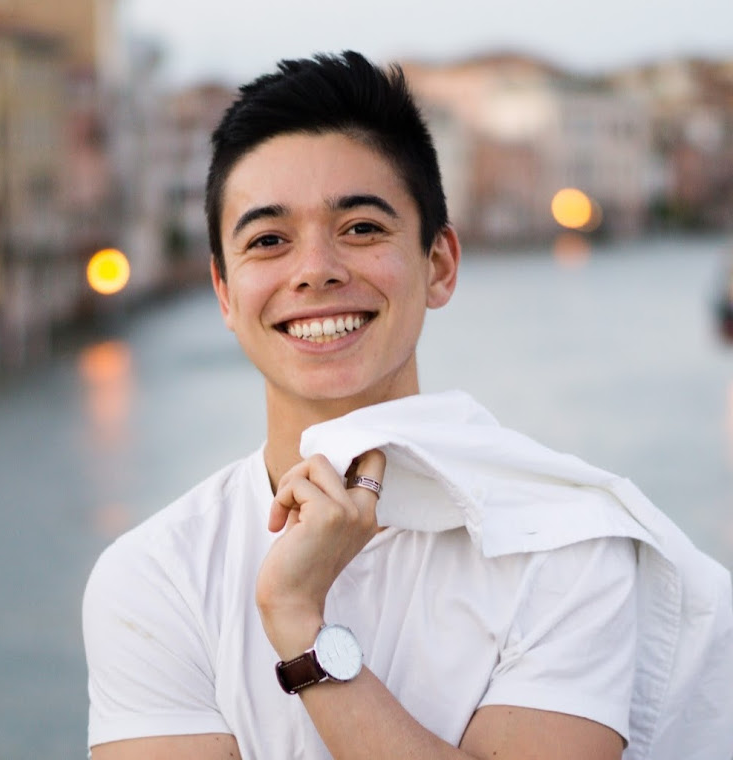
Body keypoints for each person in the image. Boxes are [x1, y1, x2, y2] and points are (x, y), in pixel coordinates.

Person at [82, 51, 733, 760]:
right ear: (224, 293)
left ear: (439, 265)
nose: (315, 270)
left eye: (361, 228)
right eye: (268, 241)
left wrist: (299, 625)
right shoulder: (155, 576)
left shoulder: (566, 546)